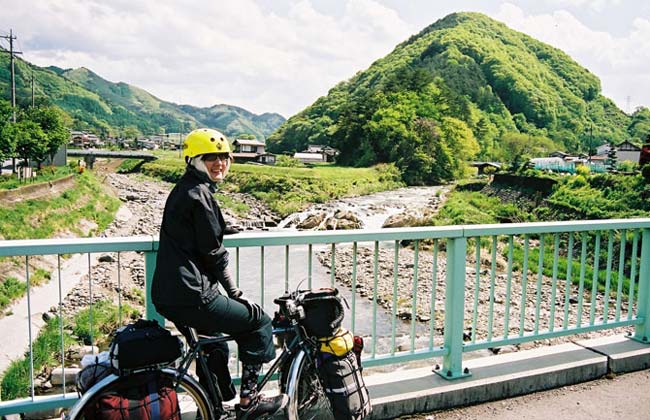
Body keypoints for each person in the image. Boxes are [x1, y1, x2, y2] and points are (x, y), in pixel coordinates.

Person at [151, 128, 287, 420]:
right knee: (258, 322)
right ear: (195, 160)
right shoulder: (199, 194)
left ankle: (212, 407)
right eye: (211, 157)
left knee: (213, 344)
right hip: (193, 294)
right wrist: (236, 294)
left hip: (169, 293)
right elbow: (213, 254)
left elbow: (198, 234)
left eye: (224, 157)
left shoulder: (185, 189)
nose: (220, 163)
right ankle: (249, 401)